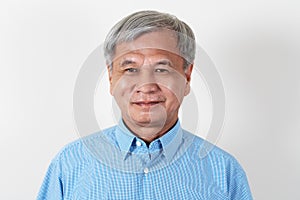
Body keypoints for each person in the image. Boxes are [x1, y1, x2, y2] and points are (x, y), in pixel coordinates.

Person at [37, 10, 253, 199]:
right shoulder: (69, 165)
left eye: (162, 68)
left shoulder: (224, 171)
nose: (146, 85)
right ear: (111, 78)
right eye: (130, 69)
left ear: (187, 77)